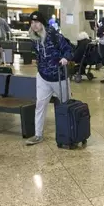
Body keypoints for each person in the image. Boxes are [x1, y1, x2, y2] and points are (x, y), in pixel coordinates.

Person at [24, 11, 74, 145]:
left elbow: (69, 49)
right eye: (32, 23)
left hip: (59, 77)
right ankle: (38, 135)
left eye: (37, 22)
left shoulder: (53, 34)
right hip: (43, 77)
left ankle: (71, 133)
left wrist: (65, 58)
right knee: (40, 105)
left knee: (66, 105)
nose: (34, 25)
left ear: (42, 23)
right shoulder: (33, 38)